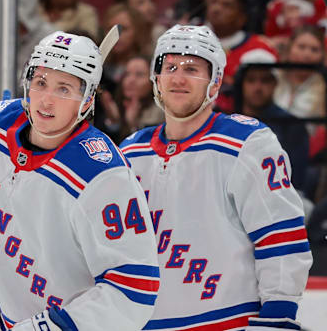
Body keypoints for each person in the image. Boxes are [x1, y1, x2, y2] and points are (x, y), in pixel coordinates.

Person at [0, 31, 159, 330]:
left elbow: (135, 289)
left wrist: (51, 326)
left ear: (88, 100)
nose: (47, 100)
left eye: (64, 89)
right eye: (41, 83)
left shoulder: (103, 175)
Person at [120, 25, 312, 330]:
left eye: (192, 69)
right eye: (170, 67)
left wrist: (278, 316)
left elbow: (280, 235)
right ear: (156, 78)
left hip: (228, 323)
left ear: (215, 81)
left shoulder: (248, 143)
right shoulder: (130, 153)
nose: (178, 78)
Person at [235, 61, 309, 194]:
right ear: (241, 84)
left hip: (280, 199)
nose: (257, 87)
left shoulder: (293, 125)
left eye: (265, 80)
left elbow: (296, 181)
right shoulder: (228, 121)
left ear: (275, 84)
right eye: (251, 80)